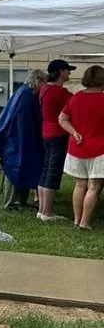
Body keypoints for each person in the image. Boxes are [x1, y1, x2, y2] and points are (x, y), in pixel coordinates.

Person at [57, 63, 104, 230]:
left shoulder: (75, 98)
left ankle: (76, 220)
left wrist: (73, 132)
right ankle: (85, 222)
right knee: (94, 186)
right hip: (100, 149)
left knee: (79, 185)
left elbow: (62, 119)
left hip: (77, 147)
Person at [0, 70, 44, 210]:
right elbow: (22, 121)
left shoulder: (25, 93)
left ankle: (21, 201)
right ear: (38, 81)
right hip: (17, 140)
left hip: (21, 139)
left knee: (24, 167)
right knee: (15, 169)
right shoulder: (25, 95)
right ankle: (11, 202)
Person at [35, 59, 74, 221]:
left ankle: (42, 209)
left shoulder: (44, 89)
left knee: (45, 170)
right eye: (67, 70)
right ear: (60, 72)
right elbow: (73, 107)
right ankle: (47, 212)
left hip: (47, 133)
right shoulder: (60, 92)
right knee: (53, 171)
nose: (70, 72)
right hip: (58, 134)